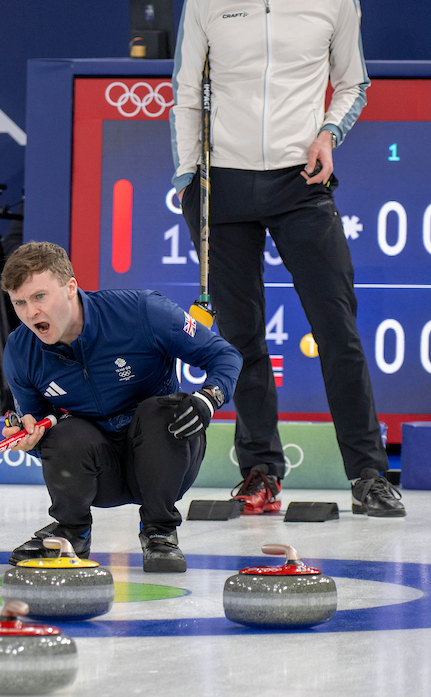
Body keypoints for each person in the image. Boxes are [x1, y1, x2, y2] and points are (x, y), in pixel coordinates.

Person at [172, 0, 404, 517]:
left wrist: (328, 134)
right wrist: (188, 177)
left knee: (336, 329)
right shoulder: (205, 3)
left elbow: (353, 84)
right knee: (240, 336)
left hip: (301, 181)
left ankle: (368, 474)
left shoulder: (336, 2)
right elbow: (186, 92)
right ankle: (260, 471)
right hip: (220, 184)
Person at [0, 242, 241, 572]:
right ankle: (71, 532)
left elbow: (224, 356)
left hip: (164, 457)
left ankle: (160, 531)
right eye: (20, 302)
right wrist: (29, 438)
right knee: (64, 432)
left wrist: (208, 399)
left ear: (71, 288)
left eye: (39, 296)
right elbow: (41, 428)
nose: (31, 313)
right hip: (99, 473)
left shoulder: (142, 311)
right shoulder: (20, 351)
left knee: (163, 410)